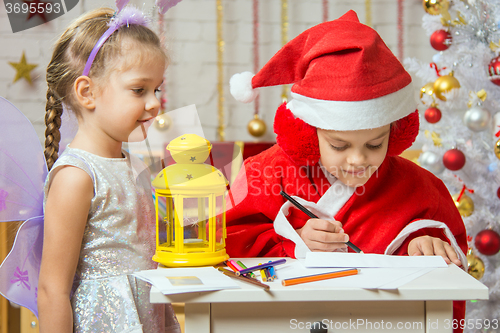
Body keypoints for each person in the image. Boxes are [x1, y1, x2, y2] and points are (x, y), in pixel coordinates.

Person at [226, 10, 467, 332]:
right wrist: (290, 239)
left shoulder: (420, 187)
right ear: (307, 132)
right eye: (339, 146)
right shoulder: (264, 173)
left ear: (395, 133)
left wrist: (426, 242)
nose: (358, 160)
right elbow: (228, 236)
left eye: (375, 144)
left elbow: (446, 272)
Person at [38, 7, 180, 333]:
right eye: (139, 89)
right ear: (87, 92)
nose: (155, 102)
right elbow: (52, 290)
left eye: (157, 89)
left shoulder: (138, 164)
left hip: (148, 315)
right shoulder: (76, 177)